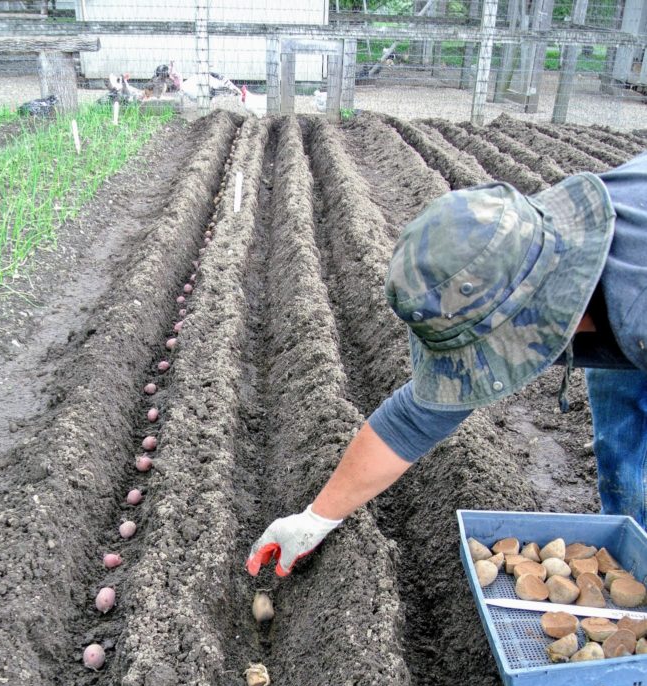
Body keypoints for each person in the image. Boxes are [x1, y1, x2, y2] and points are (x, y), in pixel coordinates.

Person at [247, 150, 647, 579]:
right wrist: (315, 519)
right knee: (623, 436)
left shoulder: (635, 306)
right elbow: (414, 419)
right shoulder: (516, 253)